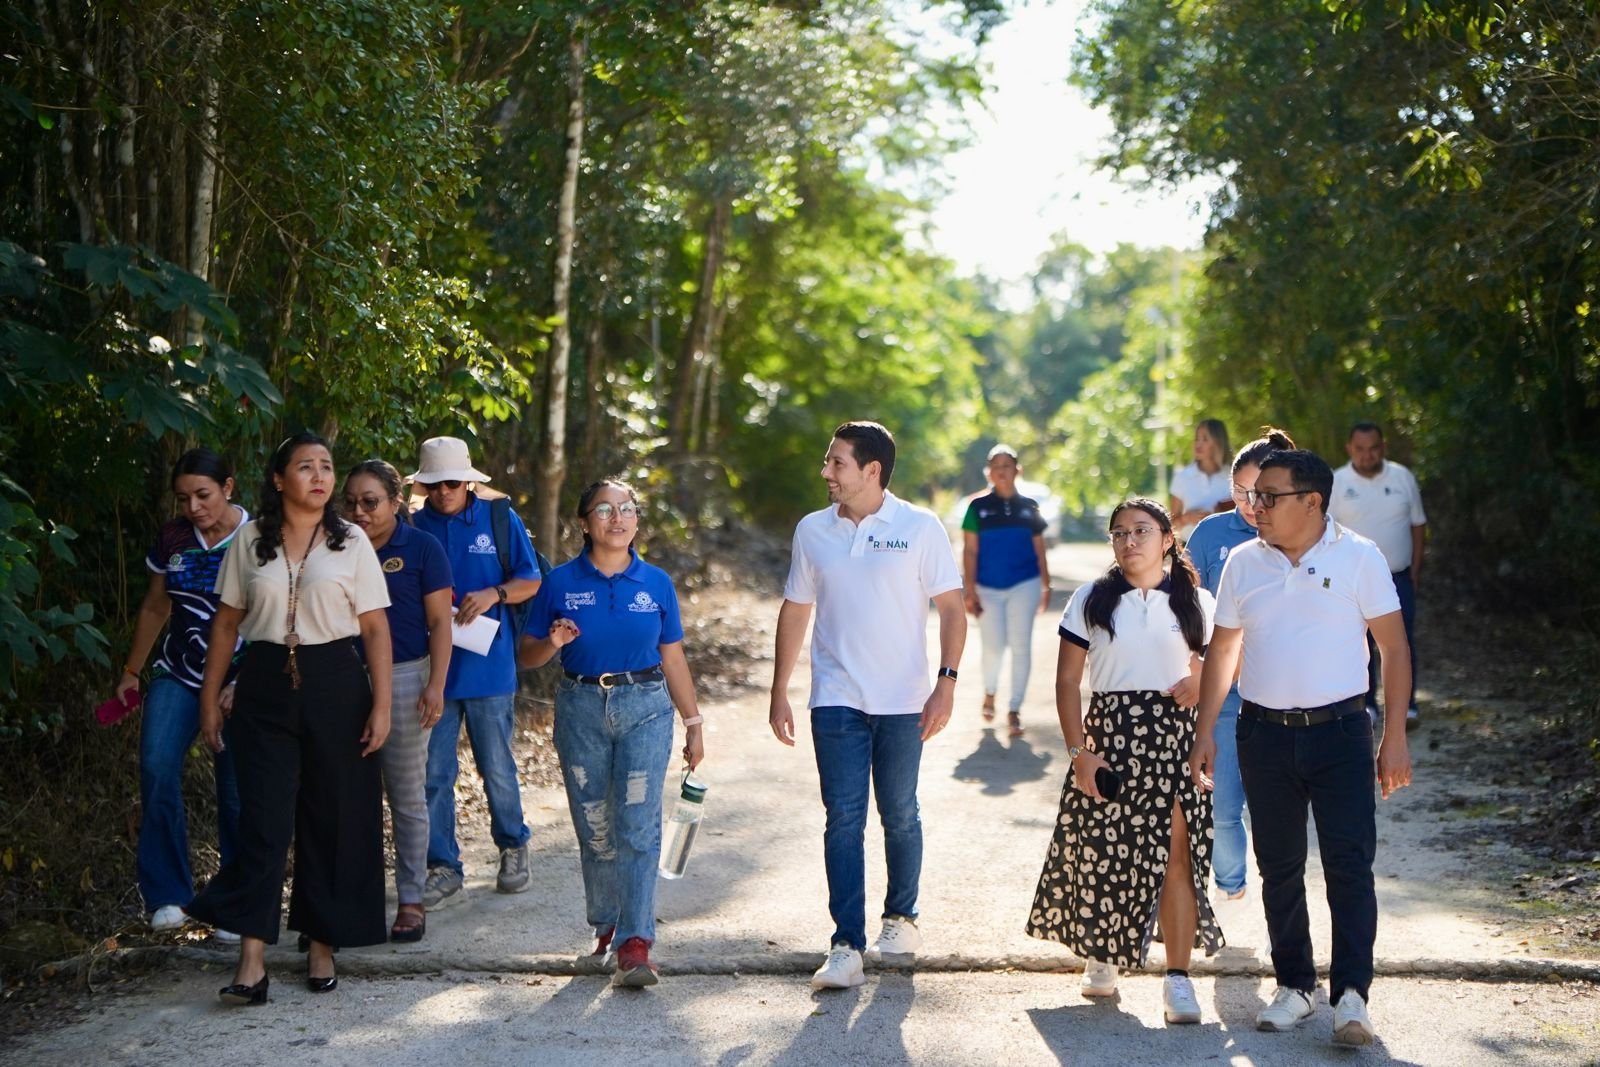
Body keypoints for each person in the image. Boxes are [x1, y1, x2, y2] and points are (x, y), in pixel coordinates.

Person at [1189, 448, 1412, 1047]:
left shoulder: (1360, 557)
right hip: (1263, 735)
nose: (1254, 506)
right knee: (1279, 867)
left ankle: (1350, 997)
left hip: (1341, 734)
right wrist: (1205, 730)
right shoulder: (1241, 562)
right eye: (1253, 495)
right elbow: (1223, 652)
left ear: (1311, 502)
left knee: (1348, 866)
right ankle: (1294, 986)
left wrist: (1394, 737)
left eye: (1269, 496)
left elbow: (1393, 647)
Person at [189, 432, 393, 1004]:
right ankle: (251, 958)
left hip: (337, 681)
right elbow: (226, 625)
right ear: (279, 479)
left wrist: (381, 703)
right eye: (306, 467)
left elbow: (375, 627)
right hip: (265, 682)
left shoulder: (350, 539)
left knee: (332, 812)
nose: (321, 476)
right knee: (264, 817)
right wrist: (210, 699)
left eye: (327, 466)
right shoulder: (250, 539)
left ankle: (321, 939)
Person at [768, 421, 966, 991]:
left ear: (872, 470)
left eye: (837, 463)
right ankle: (845, 944)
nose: (826, 472)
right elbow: (796, 609)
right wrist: (780, 688)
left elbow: (952, 609)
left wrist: (946, 682)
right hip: (835, 697)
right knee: (844, 817)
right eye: (827, 462)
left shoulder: (920, 527)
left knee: (899, 811)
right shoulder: (812, 531)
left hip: (904, 700)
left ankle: (901, 918)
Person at [1026, 498, 1223, 1024]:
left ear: (1167, 538)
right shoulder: (1092, 599)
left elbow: (1231, 657)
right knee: (1106, 852)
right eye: (1119, 533)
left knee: (1176, 857)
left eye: (1141, 530)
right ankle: (1103, 957)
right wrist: (1080, 754)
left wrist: (1202, 679)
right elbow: (1067, 682)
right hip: (1110, 736)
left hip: (1175, 740)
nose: (1129, 541)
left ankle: (1178, 980)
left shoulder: (1197, 601)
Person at [517, 479, 706, 988]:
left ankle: (637, 943)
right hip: (580, 706)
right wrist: (552, 642)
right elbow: (526, 654)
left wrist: (693, 723)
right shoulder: (557, 582)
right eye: (604, 510)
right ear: (584, 523)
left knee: (639, 824)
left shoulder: (656, 583)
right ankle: (607, 927)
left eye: (626, 509)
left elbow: (673, 657)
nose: (617, 518)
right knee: (595, 824)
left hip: (645, 704)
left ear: (637, 520)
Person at [114, 447, 246, 939]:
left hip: (239, 680)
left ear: (228, 487)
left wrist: (245, 681)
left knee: (234, 791)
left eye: (204, 495)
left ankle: (235, 901)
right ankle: (168, 895)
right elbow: (155, 606)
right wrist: (132, 670)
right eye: (184, 498)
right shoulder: (173, 537)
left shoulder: (255, 537)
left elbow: (276, 612)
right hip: (179, 673)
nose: (194, 507)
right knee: (156, 766)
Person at [409, 436, 542, 907]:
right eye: (433, 484)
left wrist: (494, 594)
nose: (443, 491)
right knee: (434, 773)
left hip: (489, 668)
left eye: (451, 482)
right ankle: (442, 867)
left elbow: (531, 580)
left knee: (497, 766)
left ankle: (512, 846)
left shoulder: (500, 519)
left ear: (468, 481)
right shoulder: (411, 526)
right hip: (432, 674)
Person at [1183, 427, 1295, 902]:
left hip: (1286, 696)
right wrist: (1193, 662)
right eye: (1241, 492)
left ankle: (1283, 902)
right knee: (1223, 806)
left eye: (1261, 492)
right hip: (1225, 694)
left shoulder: (1300, 537)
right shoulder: (1210, 534)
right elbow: (1184, 606)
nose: (1251, 503)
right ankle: (1230, 882)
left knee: (1278, 813)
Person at [342, 460, 453, 943]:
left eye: (370, 502)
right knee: (345, 796)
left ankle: (411, 899)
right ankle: (348, 904)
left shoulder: (423, 547)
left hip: (409, 677)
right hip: (343, 679)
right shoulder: (336, 547)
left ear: (396, 503)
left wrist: (436, 685)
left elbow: (442, 623)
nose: (359, 511)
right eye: (351, 502)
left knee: (407, 796)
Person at [1329, 422, 1427, 729]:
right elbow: (1325, 531)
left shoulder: (1402, 477)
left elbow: (1418, 524)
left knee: (1401, 640)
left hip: (1397, 576)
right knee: (1360, 641)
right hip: (1351, 580)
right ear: (1349, 449)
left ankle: (1407, 706)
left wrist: (1415, 569)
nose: (1367, 455)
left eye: (1373, 448)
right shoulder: (1336, 482)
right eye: (1360, 449)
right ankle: (1367, 704)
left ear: (1382, 447)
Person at [961, 444, 1051, 738]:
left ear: (1017, 470)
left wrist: (1045, 584)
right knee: (993, 646)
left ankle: (1014, 710)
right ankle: (989, 692)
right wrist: (969, 589)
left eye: (1007, 465)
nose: (1002, 470)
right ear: (989, 472)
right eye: (996, 465)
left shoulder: (1029, 507)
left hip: (1024, 583)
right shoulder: (977, 508)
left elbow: (1039, 548)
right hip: (988, 586)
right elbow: (970, 550)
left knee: (1021, 645)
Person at [1169, 418, 1233, 538]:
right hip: (1190, 551)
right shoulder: (1182, 477)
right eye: (1196, 439)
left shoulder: (1233, 476)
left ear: (1218, 442)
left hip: (1225, 548)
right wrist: (1186, 519)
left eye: (1205, 439)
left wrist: (1218, 515)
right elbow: (1170, 527)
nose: (1198, 444)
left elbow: (1244, 519)